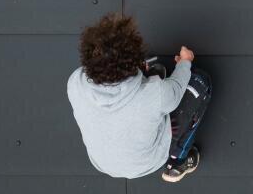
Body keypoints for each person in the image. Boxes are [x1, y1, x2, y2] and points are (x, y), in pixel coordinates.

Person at [67, 12, 212, 182]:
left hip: (103, 163)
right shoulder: (153, 95)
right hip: (147, 161)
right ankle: (177, 160)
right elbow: (175, 89)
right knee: (200, 83)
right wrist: (185, 62)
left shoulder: (75, 82)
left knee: (155, 89)